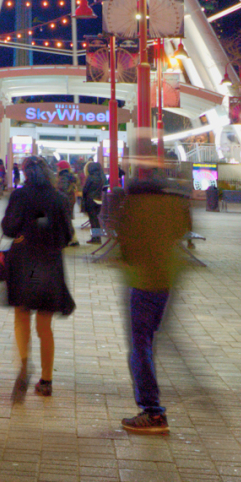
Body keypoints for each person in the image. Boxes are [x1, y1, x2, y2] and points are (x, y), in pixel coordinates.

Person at [116, 174, 191, 435]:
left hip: (142, 282)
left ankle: (152, 412)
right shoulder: (172, 205)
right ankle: (152, 410)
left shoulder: (133, 208)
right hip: (166, 280)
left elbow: (125, 247)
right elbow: (182, 230)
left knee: (140, 346)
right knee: (149, 341)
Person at [1, 159, 75, 397]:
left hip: (25, 264)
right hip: (49, 265)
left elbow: (8, 229)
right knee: (45, 325)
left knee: (22, 315)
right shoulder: (58, 198)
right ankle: (46, 380)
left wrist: (25, 232)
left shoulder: (20, 196)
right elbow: (67, 235)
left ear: (25, 173)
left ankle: (23, 363)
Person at [82, 162, 107, 244]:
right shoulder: (101, 177)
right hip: (99, 200)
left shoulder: (90, 177)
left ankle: (95, 239)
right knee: (96, 220)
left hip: (91, 201)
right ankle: (98, 238)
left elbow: (85, 190)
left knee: (93, 221)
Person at [56, 166, 81, 246]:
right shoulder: (70, 176)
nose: (57, 168)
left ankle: (72, 239)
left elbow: (64, 189)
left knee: (66, 219)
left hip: (65, 201)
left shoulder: (63, 177)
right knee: (66, 219)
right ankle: (71, 239)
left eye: (58, 167)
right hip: (70, 199)